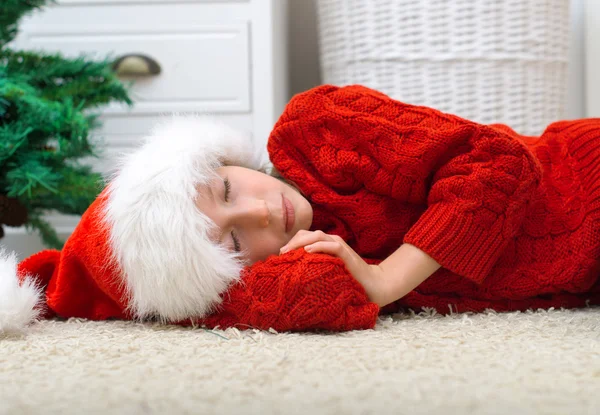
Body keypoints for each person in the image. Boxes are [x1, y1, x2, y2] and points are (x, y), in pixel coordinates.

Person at [2, 84, 600, 334]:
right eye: (232, 244)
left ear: (222, 160)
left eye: (229, 192)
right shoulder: (297, 259)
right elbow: (315, 299)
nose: (262, 215)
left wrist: (388, 278)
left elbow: (497, 162)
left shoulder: (318, 129)